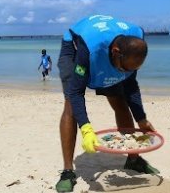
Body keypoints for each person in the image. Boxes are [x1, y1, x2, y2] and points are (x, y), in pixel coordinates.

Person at [55, 15, 159, 192]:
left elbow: (130, 85)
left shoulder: (136, 40)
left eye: (132, 69)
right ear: (115, 52)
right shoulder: (89, 47)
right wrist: (86, 129)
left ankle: (133, 159)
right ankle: (67, 171)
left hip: (110, 51)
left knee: (120, 100)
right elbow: (76, 93)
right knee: (70, 106)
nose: (126, 72)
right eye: (124, 68)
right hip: (75, 46)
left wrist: (141, 119)